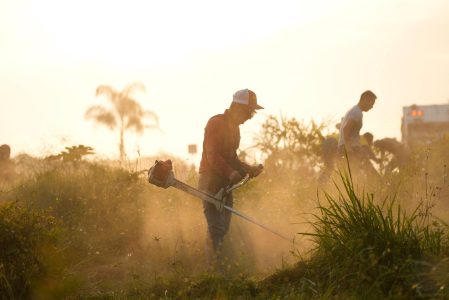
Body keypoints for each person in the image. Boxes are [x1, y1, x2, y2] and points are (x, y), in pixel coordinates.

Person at [198, 88, 264, 269]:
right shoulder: (216, 123)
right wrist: (230, 173)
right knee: (216, 228)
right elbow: (213, 155)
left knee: (223, 228)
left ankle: (215, 268)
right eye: (249, 111)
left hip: (224, 183)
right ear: (237, 107)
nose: (250, 116)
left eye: (252, 112)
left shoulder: (235, 130)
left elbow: (232, 158)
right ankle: (213, 273)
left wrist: (249, 169)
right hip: (210, 181)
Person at [338, 90, 377, 157]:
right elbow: (346, 129)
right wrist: (348, 149)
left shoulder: (354, 110)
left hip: (348, 147)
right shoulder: (357, 113)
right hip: (350, 148)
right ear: (365, 100)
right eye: (372, 103)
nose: (372, 107)